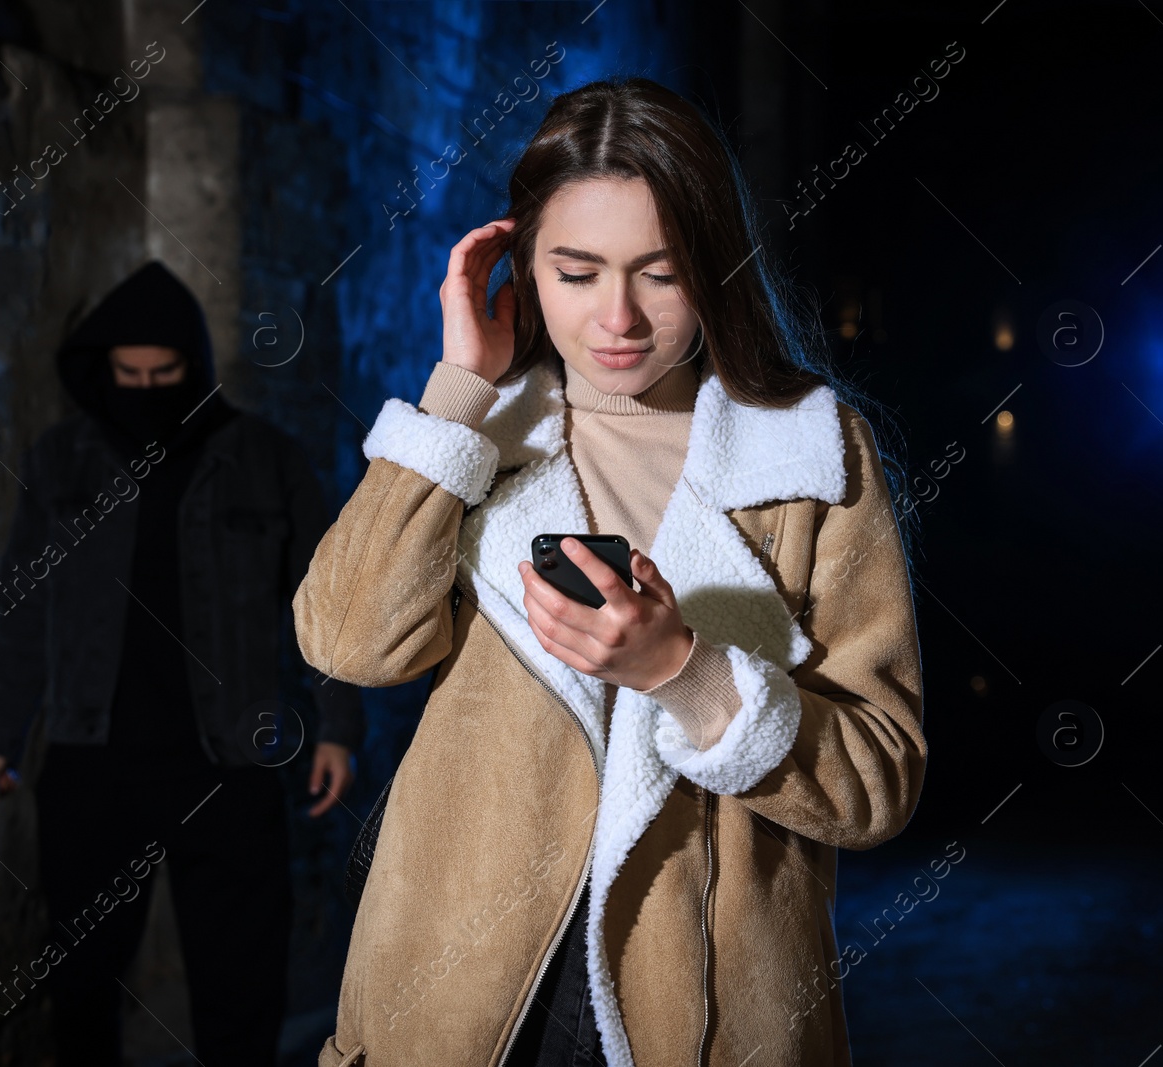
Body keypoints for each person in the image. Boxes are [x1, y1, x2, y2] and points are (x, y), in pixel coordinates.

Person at [293, 78, 925, 1066]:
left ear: (714, 268)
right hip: (457, 995)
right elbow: (347, 640)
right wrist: (458, 392)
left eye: (660, 274)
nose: (618, 317)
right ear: (522, 269)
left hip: (707, 1007)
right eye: (576, 272)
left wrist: (688, 671)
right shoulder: (478, 438)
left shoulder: (808, 457)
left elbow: (876, 783)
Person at [0, 260, 365, 1066]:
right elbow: (24, 606)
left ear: (196, 366)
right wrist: (1, 736)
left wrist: (337, 725)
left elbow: (327, 603)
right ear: (103, 370)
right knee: (81, 983)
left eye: (166, 373)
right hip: (91, 764)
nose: (146, 388)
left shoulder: (265, 458)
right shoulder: (60, 462)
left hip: (228, 764)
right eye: (128, 374)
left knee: (241, 984)